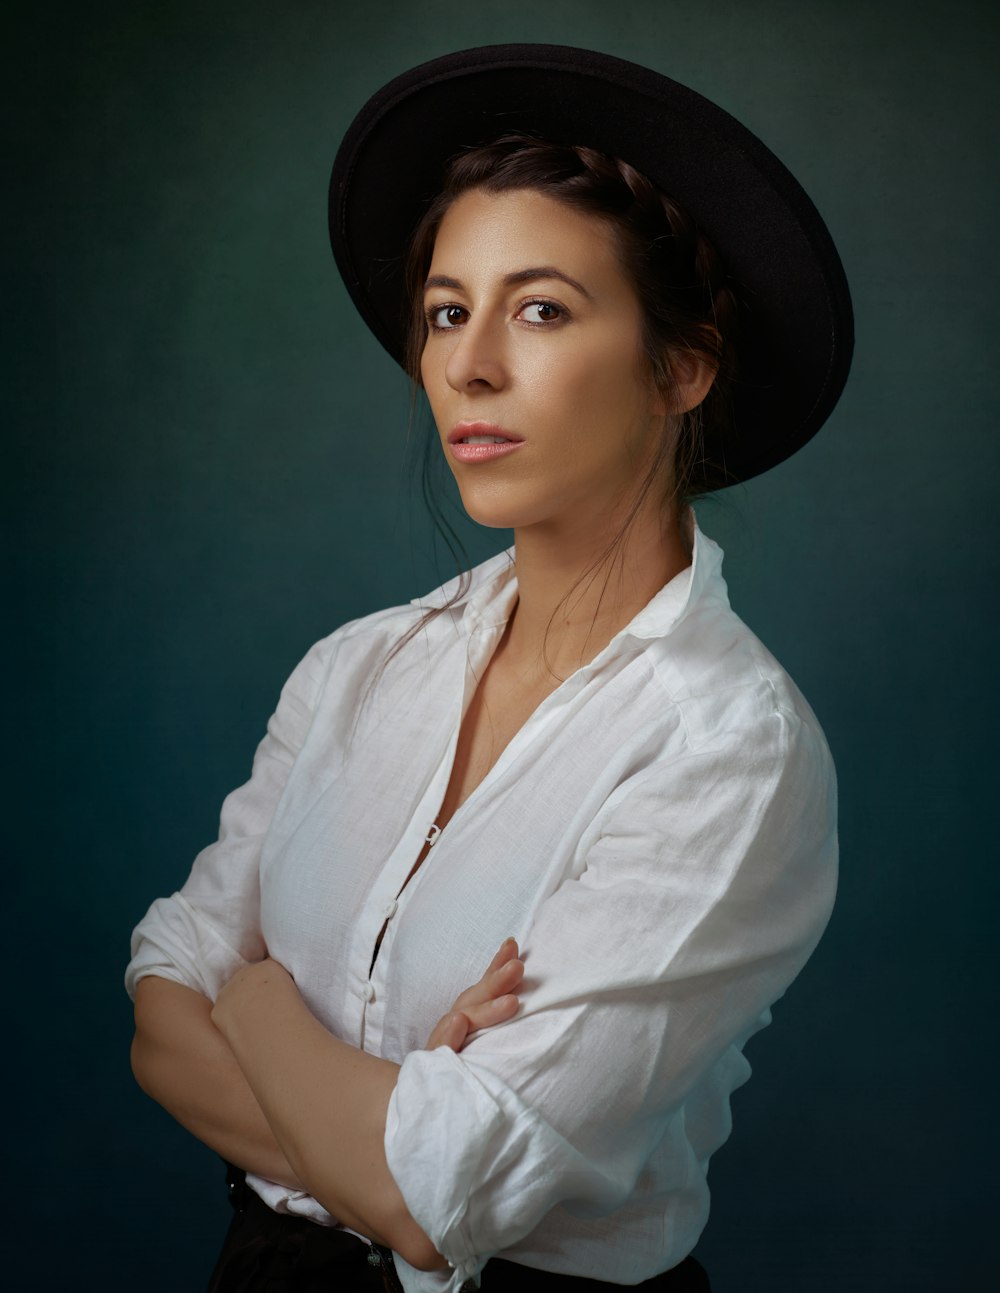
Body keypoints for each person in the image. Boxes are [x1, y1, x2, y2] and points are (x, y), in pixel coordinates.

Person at [126, 44, 853, 1293]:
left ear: (680, 367)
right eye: (449, 311)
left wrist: (250, 1003)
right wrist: (376, 1115)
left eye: (542, 309)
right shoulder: (356, 668)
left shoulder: (726, 746)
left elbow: (426, 1192)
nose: (467, 366)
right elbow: (154, 1006)